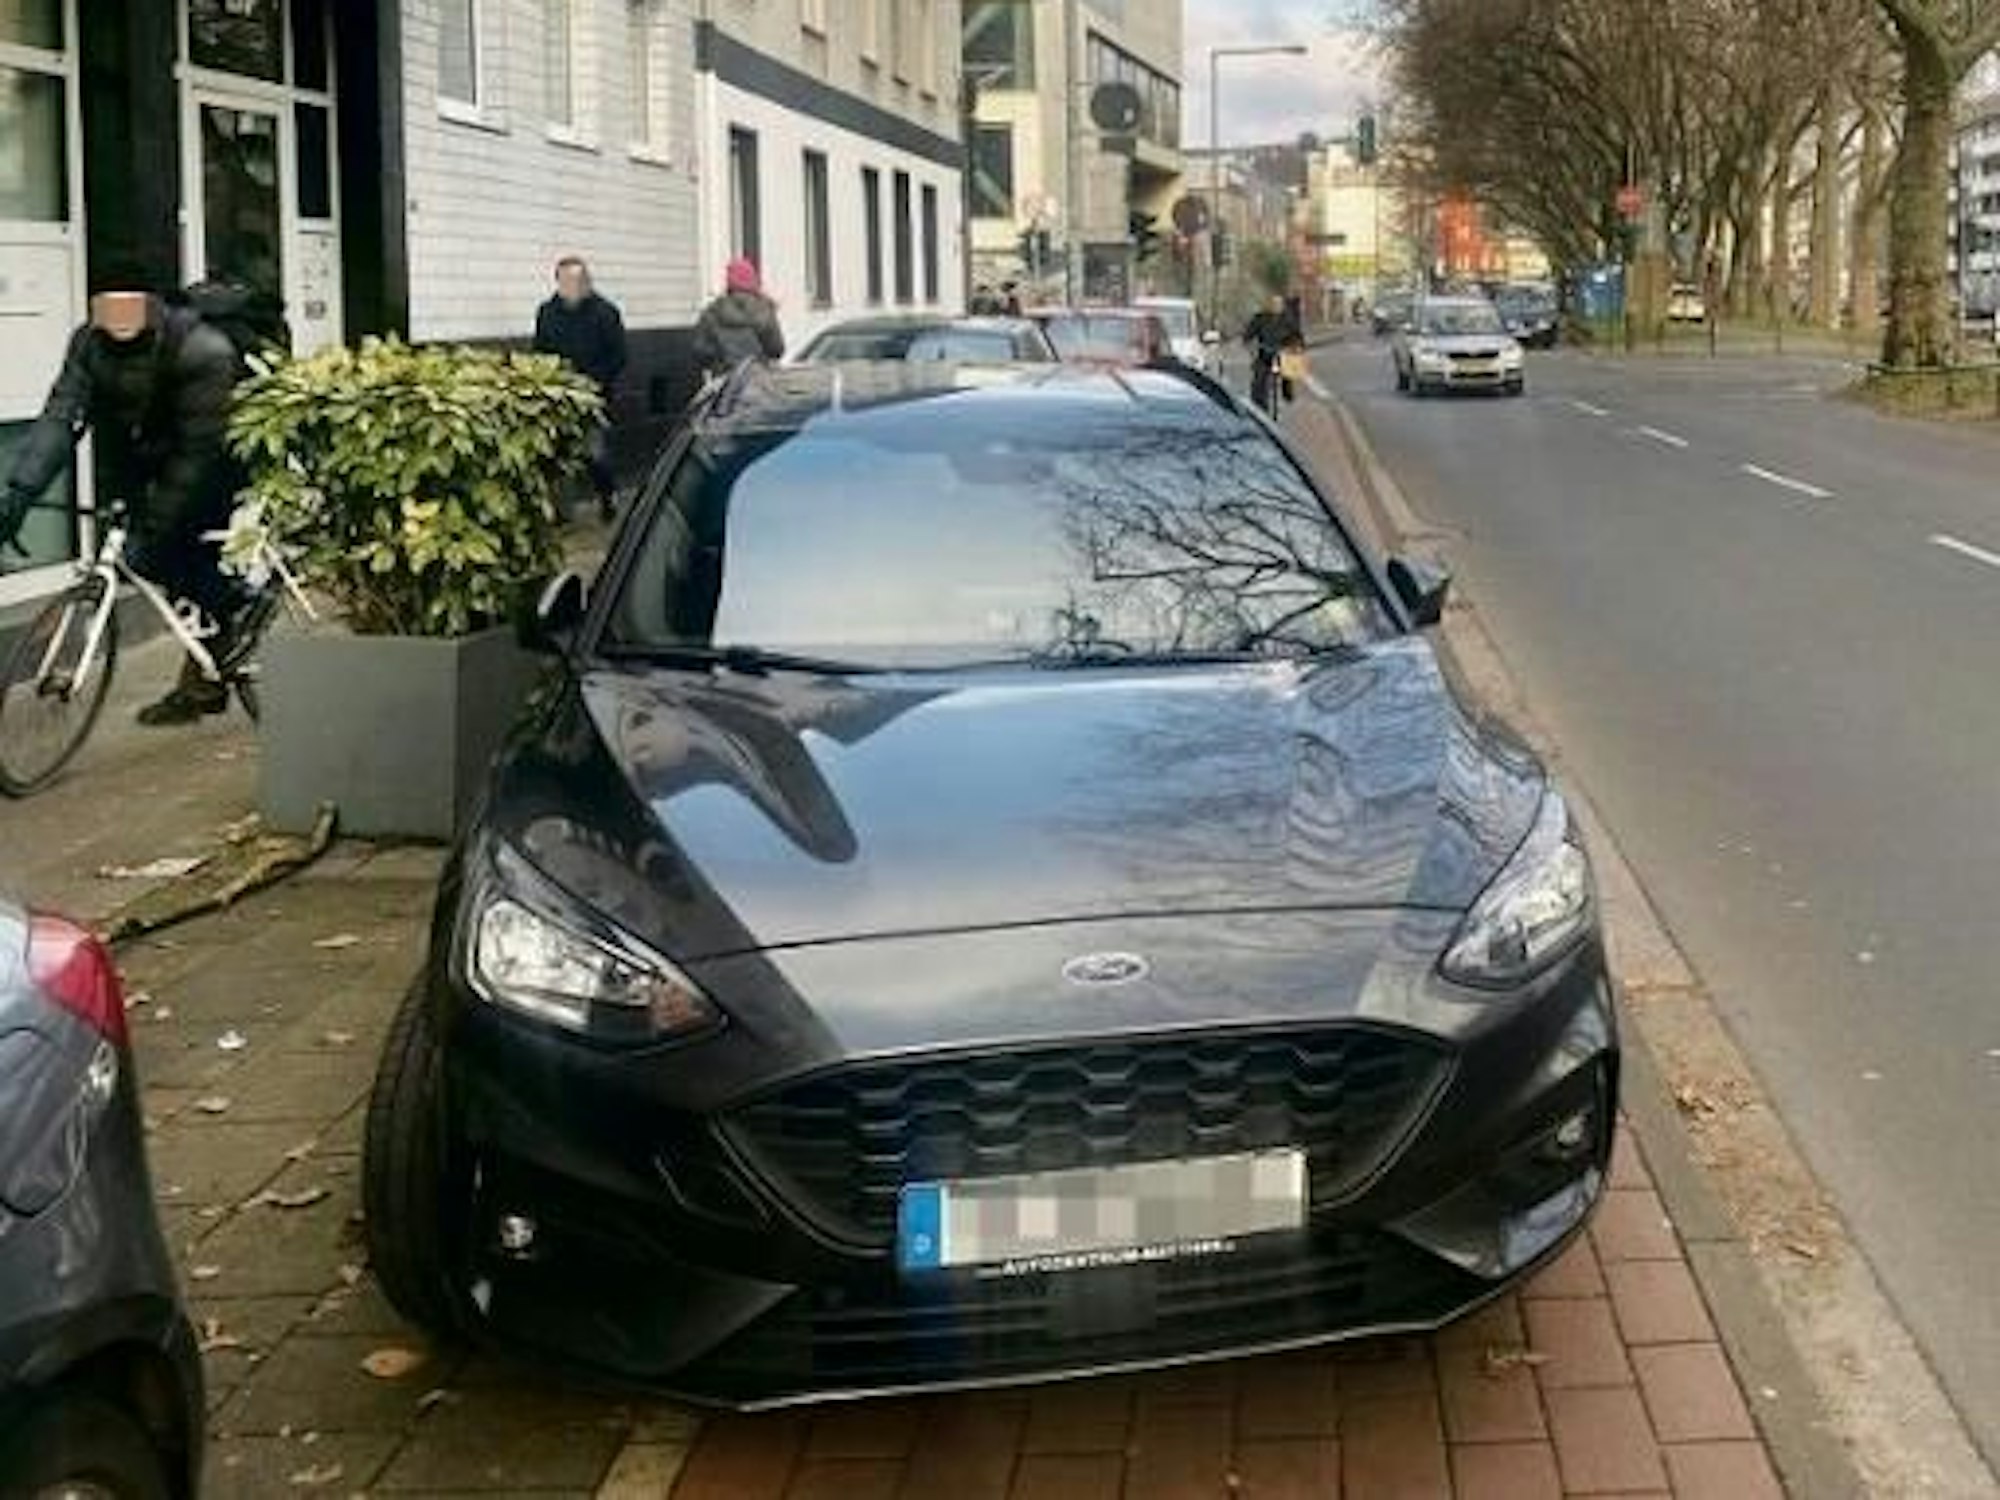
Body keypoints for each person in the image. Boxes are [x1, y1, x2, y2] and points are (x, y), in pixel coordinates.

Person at [0, 260, 251, 726]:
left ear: (153, 305)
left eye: (129, 305)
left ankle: (230, 617)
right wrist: (19, 495)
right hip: (144, 460)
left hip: (213, 461)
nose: (117, 317)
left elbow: (198, 454)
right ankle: (208, 667)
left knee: (175, 551)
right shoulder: (87, 344)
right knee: (152, 559)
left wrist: (157, 523)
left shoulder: (202, 349)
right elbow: (61, 416)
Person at [533, 256, 628, 520]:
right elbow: (539, 351)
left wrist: (597, 383)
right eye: (565, 280)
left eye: (576, 280)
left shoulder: (605, 312)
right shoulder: (547, 312)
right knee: (558, 456)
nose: (571, 285)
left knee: (595, 454)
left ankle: (608, 496)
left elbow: (619, 356)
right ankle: (563, 513)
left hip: (594, 396)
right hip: (558, 395)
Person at [692, 258, 785, 382]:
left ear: (729, 282)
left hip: (725, 383)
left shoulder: (712, 312)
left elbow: (701, 352)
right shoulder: (765, 310)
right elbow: (777, 349)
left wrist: (718, 361)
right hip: (758, 382)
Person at [1242, 293, 1304, 415]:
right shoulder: (1260, 318)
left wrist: (1296, 347)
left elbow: (1297, 336)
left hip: (1282, 352)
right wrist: (1251, 348)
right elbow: (1248, 335)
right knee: (1259, 378)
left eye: (1279, 304)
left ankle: (1288, 391)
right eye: (1274, 304)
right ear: (1269, 305)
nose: (1276, 306)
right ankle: (1259, 406)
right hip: (1264, 351)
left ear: (1283, 306)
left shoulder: (1288, 319)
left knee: (1290, 367)